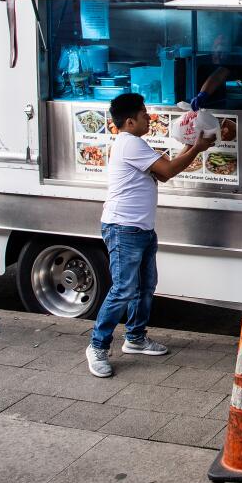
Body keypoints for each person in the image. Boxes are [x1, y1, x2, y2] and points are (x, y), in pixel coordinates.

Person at [86, 92, 214, 378]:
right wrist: (196, 147)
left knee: (145, 286)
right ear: (130, 122)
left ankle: (135, 338)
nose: (149, 118)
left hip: (140, 228)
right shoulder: (129, 144)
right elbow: (167, 172)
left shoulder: (135, 143)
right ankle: (97, 346)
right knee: (123, 289)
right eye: (144, 115)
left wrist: (193, 146)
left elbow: (161, 170)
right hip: (123, 228)